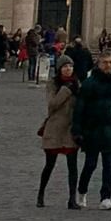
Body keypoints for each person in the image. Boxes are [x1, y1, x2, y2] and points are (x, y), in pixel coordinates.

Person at [72, 49, 111, 209]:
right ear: (99, 63)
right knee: (90, 164)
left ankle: (105, 198)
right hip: (92, 129)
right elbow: (79, 109)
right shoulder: (89, 83)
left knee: (109, 166)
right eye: (105, 62)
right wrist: (77, 130)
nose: (108, 65)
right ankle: (82, 191)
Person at [37, 58, 80, 207]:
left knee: (72, 166)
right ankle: (41, 194)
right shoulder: (53, 84)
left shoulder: (77, 83)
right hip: (55, 128)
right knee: (49, 164)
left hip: (70, 129)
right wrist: (66, 90)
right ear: (60, 69)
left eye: (70, 66)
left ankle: (72, 199)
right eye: (65, 66)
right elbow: (52, 104)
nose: (68, 69)